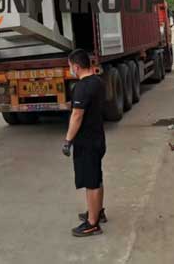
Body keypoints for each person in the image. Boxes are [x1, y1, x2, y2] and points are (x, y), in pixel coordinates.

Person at [62, 48, 107, 237]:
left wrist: (68, 140)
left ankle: (92, 223)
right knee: (96, 177)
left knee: (91, 182)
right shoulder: (98, 81)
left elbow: (77, 115)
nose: (70, 69)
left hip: (87, 141)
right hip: (97, 137)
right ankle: (98, 211)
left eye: (70, 66)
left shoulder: (81, 87)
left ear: (77, 66)